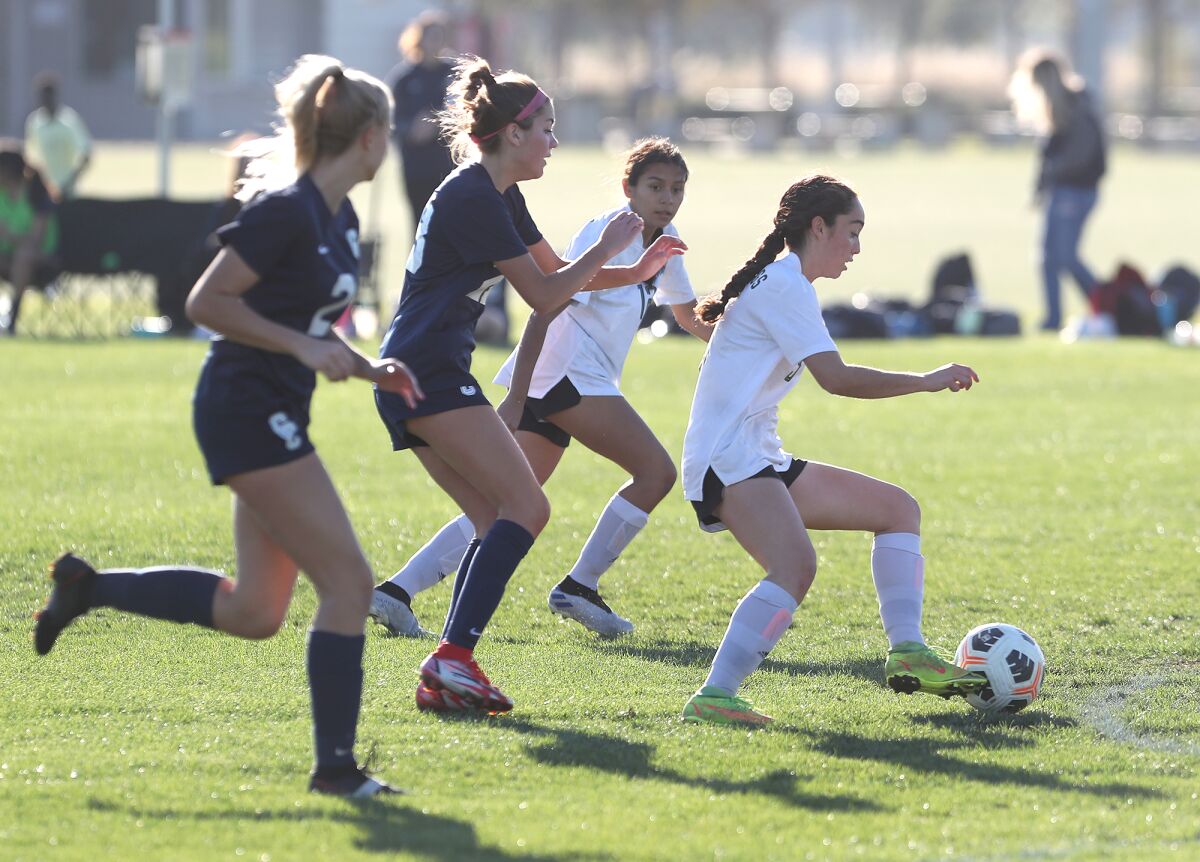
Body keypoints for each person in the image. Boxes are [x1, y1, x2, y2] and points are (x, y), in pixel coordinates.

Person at [32, 55, 422, 797]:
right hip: (245, 409)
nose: (392, 143)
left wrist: (366, 366)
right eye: (391, 131)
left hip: (272, 407)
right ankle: (337, 770)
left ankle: (87, 590)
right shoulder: (286, 209)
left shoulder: (335, 217)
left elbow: (298, 320)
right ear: (369, 137)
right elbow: (207, 303)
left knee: (256, 610)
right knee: (349, 582)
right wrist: (306, 348)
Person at [373, 58, 685, 713]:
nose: (553, 140)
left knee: (493, 518)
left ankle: (447, 665)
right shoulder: (474, 198)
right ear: (512, 134)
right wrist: (611, 247)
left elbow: (558, 273)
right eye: (545, 127)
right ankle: (453, 657)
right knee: (528, 508)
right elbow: (546, 297)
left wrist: (637, 268)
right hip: (428, 372)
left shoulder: (498, 195)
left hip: (418, 371)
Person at [678, 175, 987, 726]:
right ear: (818, 227)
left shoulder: (787, 283)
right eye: (852, 231)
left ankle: (909, 651)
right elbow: (837, 379)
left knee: (898, 511)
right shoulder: (784, 285)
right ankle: (715, 696)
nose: (857, 248)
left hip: (756, 456)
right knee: (794, 566)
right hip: (728, 459)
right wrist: (925, 380)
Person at [1009, 49, 1106, 331]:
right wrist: (1041, 187)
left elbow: (1077, 155)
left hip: (1074, 192)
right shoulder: (1063, 105)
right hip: (1066, 191)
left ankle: (1102, 303)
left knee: (1063, 257)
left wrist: (1053, 174)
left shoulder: (1074, 105)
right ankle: (1056, 317)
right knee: (1050, 258)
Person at [388, 11, 457, 228]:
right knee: (419, 222)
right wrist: (411, 129)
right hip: (415, 165)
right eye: (431, 36)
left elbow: (465, 113)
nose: (435, 42)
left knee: (451, 221)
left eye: (440, 36)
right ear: (419, 39)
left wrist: (437, 123)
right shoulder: (405, 78)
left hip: (448, 162)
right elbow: (393, 122)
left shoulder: (453, 74)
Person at [0, 141, 59, 336]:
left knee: (23, 256)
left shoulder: (36, 193)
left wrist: (10, 236)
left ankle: (12, 316)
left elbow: (35, 238)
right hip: (7, 255)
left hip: (41, 257)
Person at [24, 72, 92, 199]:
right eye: (43, 97)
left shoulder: (69, 121)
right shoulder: (35, 122)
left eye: (49, 97)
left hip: (68, 192)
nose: (46, 101)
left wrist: (69, 182)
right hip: (44, 192)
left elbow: (86, 155)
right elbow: (31, 157)